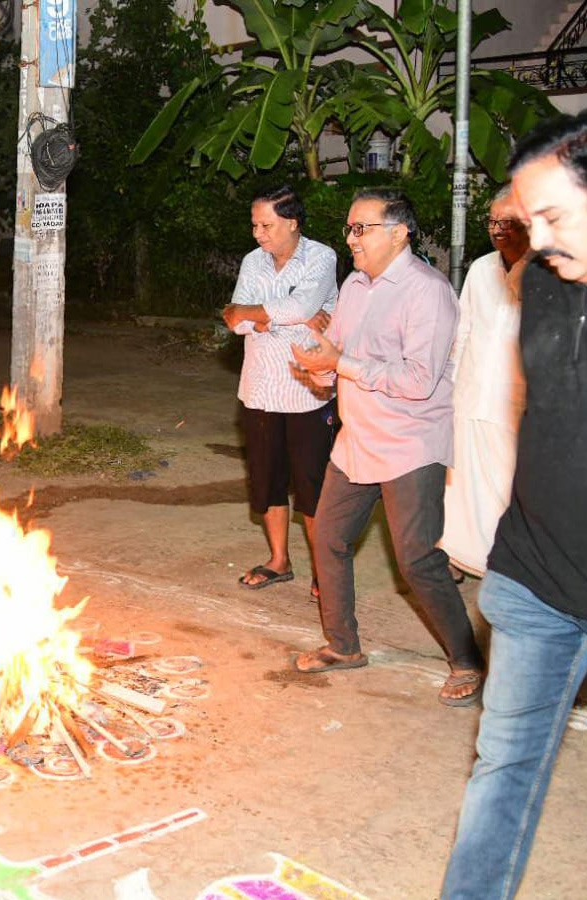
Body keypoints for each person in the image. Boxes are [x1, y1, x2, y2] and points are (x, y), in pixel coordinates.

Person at [440, 113, 587, 900]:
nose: (537, 239)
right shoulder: (537, 278)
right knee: (504, 764)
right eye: (527, 221)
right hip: (535, 580)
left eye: (554, 217)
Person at [289, 189, 486, 707]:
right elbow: (341, 353)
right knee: (327, 538)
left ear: (400, 232)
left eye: (362, 228)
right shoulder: (354, 285)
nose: (351, 239)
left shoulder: (428, 291)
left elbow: (419, 380)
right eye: (349, 228)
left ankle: (467, 660)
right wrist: (321, 373)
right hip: (357, 440)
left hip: (410, 443)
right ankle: (343, 646)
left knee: (417, 559)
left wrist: (341, 364)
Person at [222, 185, 338, 599]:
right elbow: (234, 319)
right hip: (259, 389)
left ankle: (325, 573)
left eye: (267, 225)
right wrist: (267, 317)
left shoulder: (321, 257)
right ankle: (278, 561)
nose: (258, 234)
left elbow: (300, 309)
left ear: (292, 222)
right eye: (254, 225)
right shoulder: (253, 262)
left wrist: (259, 315)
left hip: (307, 390)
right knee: (267, 480)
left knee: (313, 485)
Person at [439, 187, 531, 578]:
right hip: (471, 397)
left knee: (511, 493)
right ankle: (459, 559)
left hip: (514, 408)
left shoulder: (550, 276)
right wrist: (448, 388)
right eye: (493, 221)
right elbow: (462, 332)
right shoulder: (479, 269)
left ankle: (511, 569)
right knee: (461, 492)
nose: (498, 229)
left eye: (507, 222)